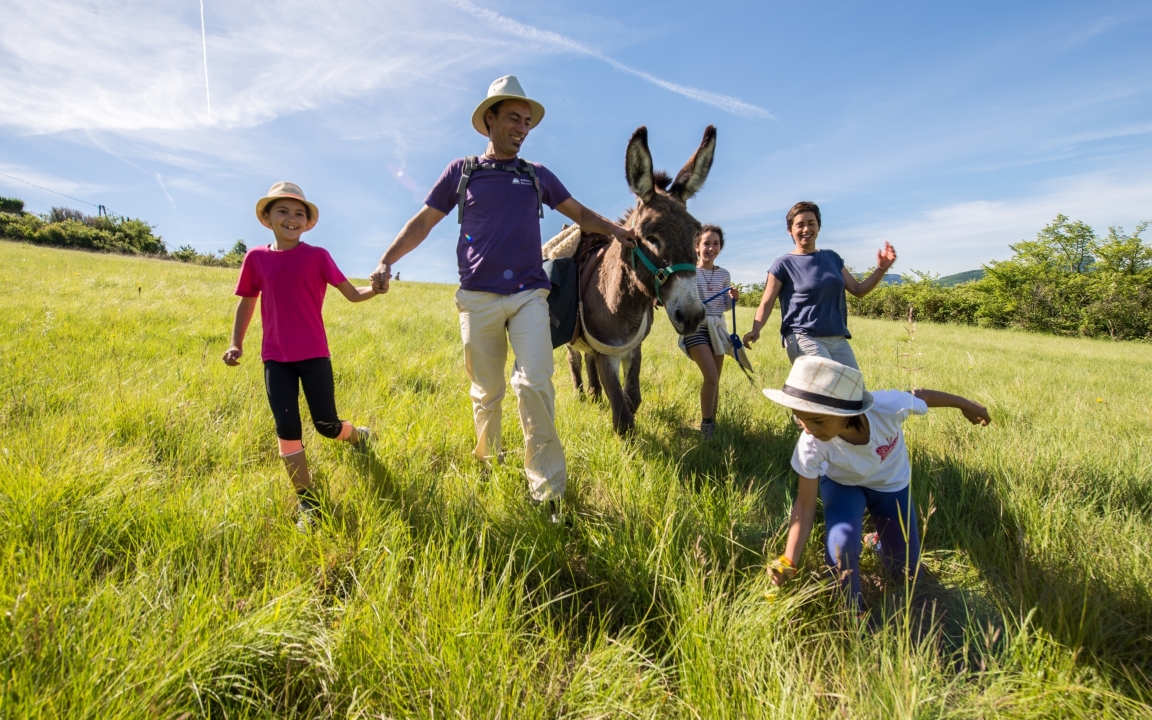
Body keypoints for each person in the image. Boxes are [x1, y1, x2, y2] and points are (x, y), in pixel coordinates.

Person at [368, 76, 636, 512]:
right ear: (489, 119)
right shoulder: (462, 173)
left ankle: (548, 492)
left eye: (527, 121)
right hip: (477, 298)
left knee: (535, 384)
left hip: (529, 295)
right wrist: (386, 260)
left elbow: (580, 214)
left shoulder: (537, 176)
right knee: (486, 392)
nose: (522, 128)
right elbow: (424, 221)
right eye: (514, 118)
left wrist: (617, 231)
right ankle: (487, 464)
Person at [763, 356, 990, 609]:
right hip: (842, 486)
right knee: (841, 549)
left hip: (891, 486)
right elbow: (805, 506)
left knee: (906, 574)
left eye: (817, 420)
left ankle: (878, 541)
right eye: (799, 418)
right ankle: (850, 612)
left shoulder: (888, 407)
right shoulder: (811, 444)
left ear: (847, 411)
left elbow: (922, 396)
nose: (808, 429)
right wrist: (788, 559)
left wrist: (965, 404)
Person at [223, 182, 378, 524]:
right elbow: (247, 303)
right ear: (267, 218)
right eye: (282, 211)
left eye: (298, 213)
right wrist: (236, 343)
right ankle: (307, 501)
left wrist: (376, 289)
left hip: (313, 356)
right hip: (275, 358)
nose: (291, 218)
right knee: (287, 428)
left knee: (326, 425)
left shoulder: (318, 256)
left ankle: (359, 435)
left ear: (308, 223)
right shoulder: (256, 258)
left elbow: (352, 294)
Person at [743, 201, 896, 370]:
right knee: (827, 381)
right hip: (803, 336)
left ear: (819, 227)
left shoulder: (832, 258)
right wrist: (756, 329)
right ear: (790, 230)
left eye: (811, 223)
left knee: (855, 386)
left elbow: (858, 290)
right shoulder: (783, 264)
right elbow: (767, 302)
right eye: (800, 225)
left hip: (837, 338)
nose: (806, 229)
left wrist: (881, 269)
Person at [679, 224, 738, 440]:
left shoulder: (724, 274)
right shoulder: (688, 272)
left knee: (715, 380)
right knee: (711, 376)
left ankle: (712, 424)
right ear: (697, 246)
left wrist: (733, 299)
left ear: (720, 247)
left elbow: (724, 306)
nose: (711, 248)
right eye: (706, 243)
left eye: (716, 243)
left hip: (717, 328)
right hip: (696, 328)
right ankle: (706, 427)